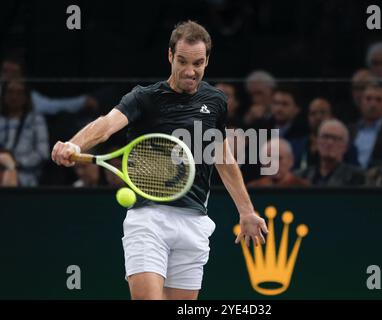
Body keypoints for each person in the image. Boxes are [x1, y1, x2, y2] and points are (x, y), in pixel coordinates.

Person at [51, 21, 268, 300]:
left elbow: (223, 158)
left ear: (207, 61)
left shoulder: (215, 101)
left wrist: (247, 211)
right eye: (182, 61)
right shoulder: (144, 98)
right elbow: (106, 125)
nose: (190, 71)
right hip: (149, 219)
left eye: (198, 63)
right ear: (169, 56)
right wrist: (74, 144)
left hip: (194, 222)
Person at [0, 80, 49, 186]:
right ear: (3, 95)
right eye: (10, 92)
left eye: (19, 93)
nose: (14, 97)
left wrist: (18, 164)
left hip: (26, 175)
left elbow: (42, 153)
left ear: (26, 96)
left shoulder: (36, 119)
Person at [296, 119, 365, 187]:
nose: (329, 142)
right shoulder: (300, 176)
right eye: (325, 137)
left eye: (335, 138)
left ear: (345, 147)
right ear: (317, 142)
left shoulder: (358, 178)